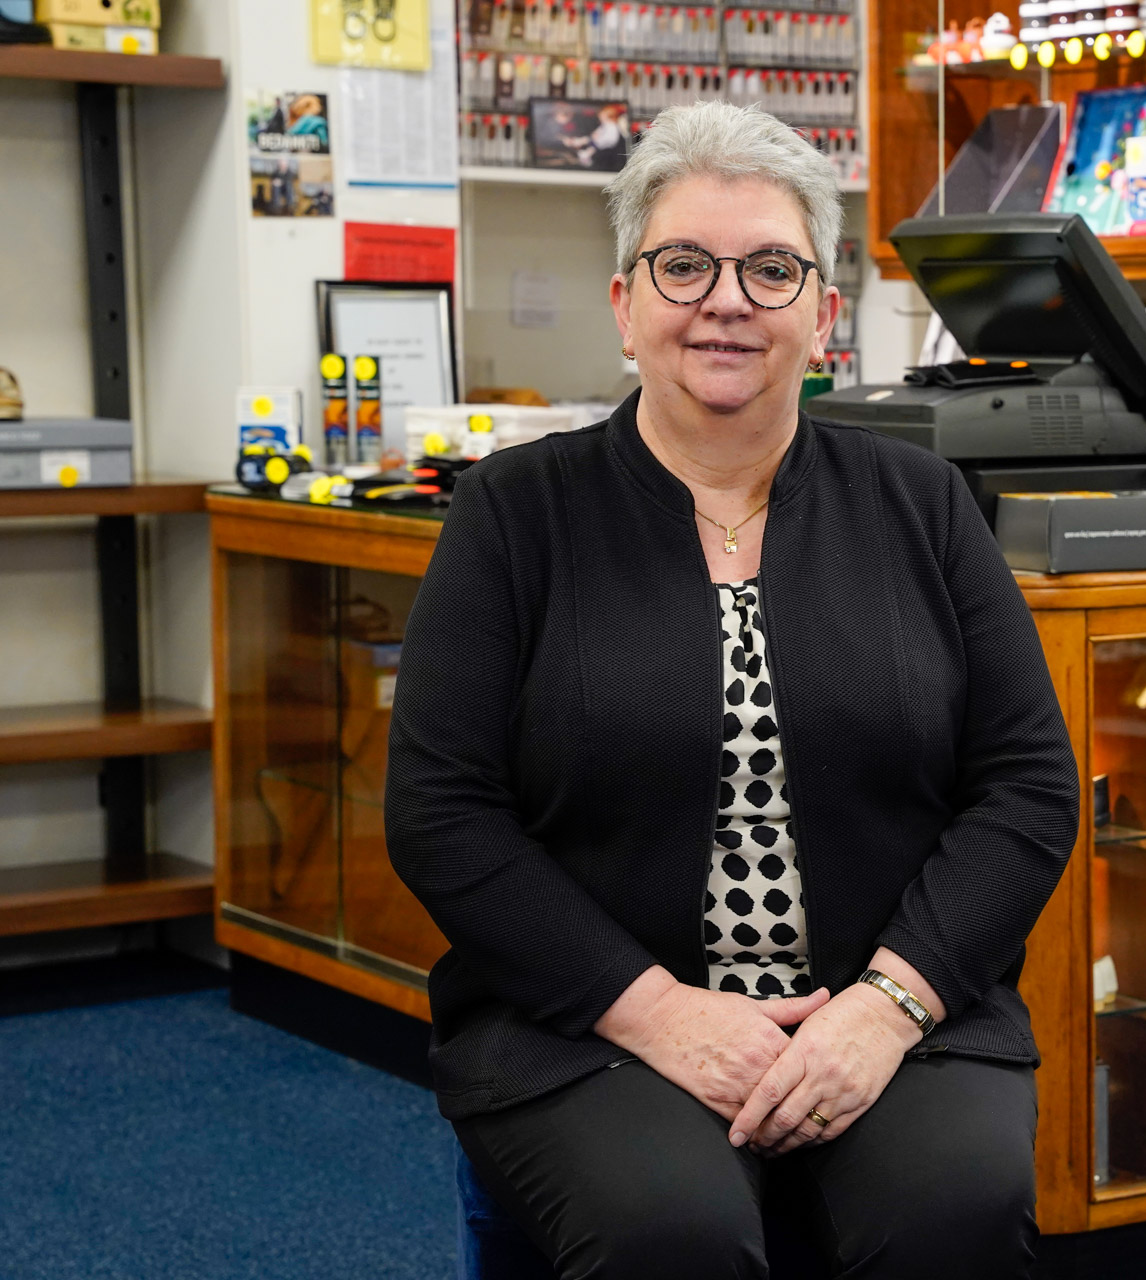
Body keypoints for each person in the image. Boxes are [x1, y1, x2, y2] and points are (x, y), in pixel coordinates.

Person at [386, 100, 1079, 1280]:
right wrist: (660, 1011)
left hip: (892, 1006)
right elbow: (440, 812)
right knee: (674, 1235)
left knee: (953, 1210)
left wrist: (885, 1006)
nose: (726, 300)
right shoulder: (514, 513)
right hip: (590, 1018)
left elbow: (1027, 785)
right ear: (626, 305)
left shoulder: (923, 504)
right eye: (684, 265)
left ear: (822, 312)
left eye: (770, 268)